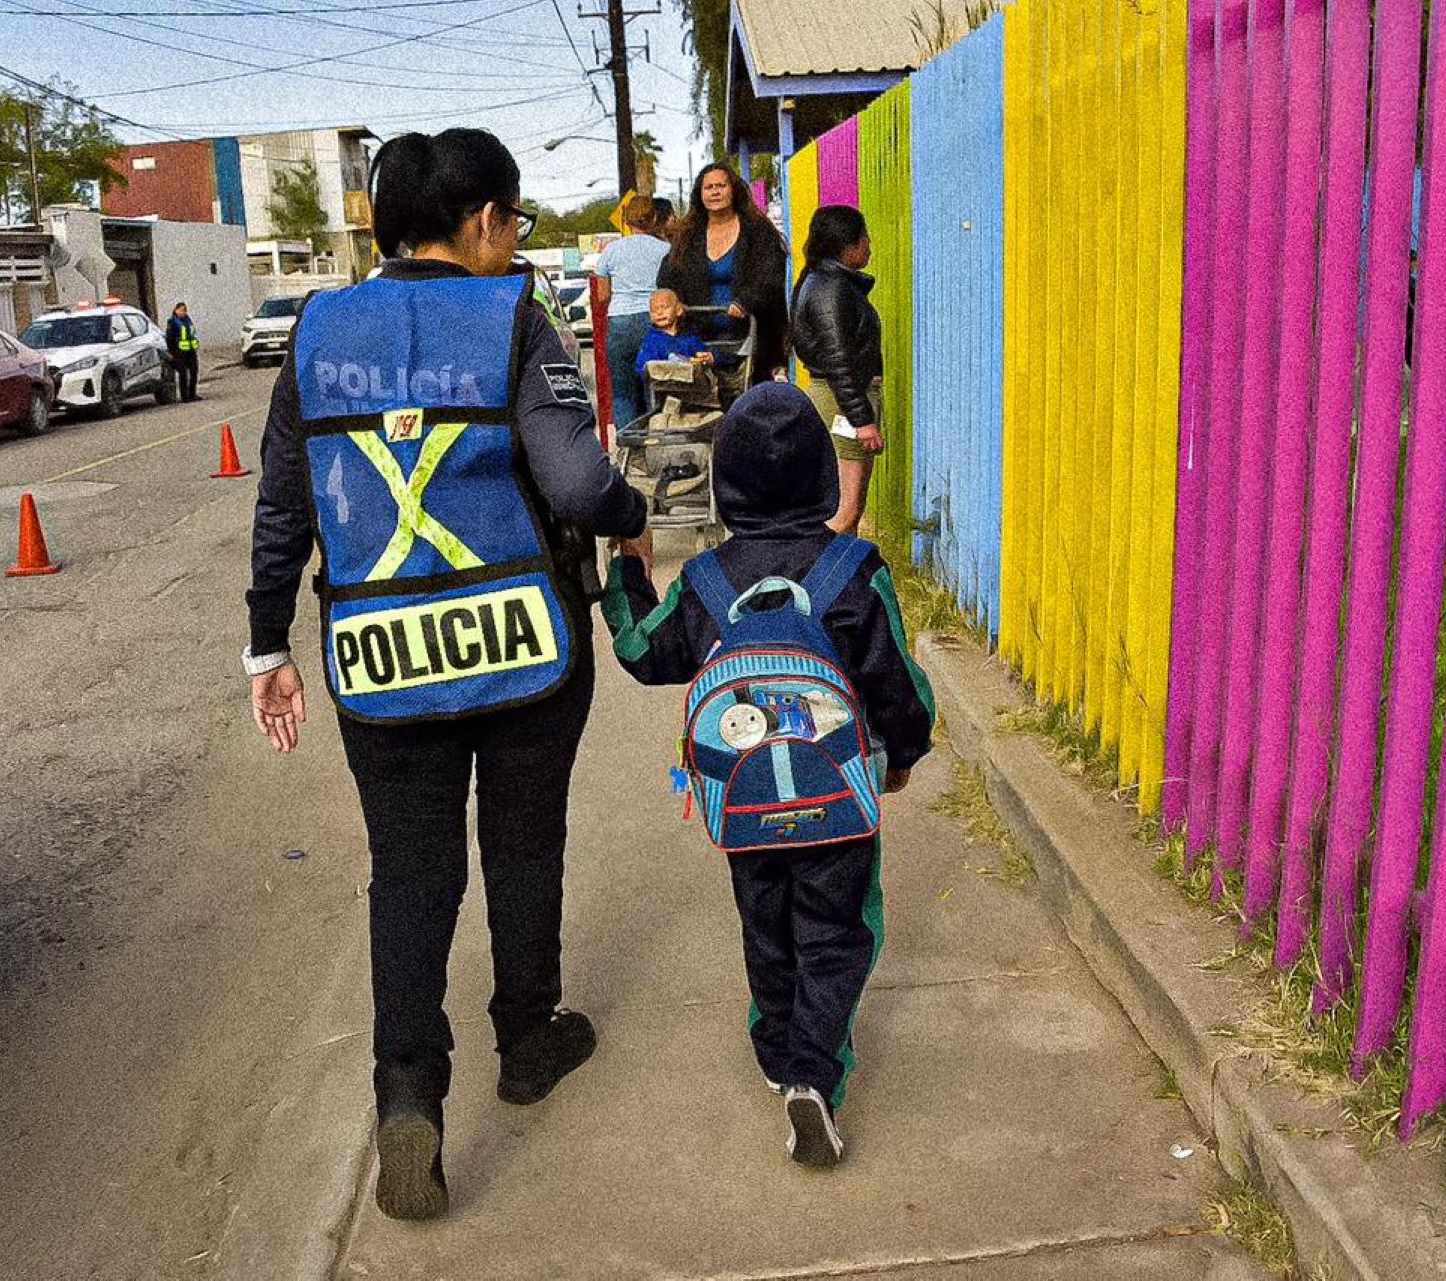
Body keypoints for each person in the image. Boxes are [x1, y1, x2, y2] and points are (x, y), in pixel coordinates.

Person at [242, 127, 650, 1222]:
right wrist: (636, 515)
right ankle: (527, 1038)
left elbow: (285, 500)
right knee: (522, 845)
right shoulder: (514, 315)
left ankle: (408, 1094)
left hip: (378, 654)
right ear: (480, 223)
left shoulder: (317, 327)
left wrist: (266, 644)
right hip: (524, 646)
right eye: (511, 224)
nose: (513, 242)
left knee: (411, 874)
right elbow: (574, 481)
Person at [599, 382, 935, 1168]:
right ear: (824, 476)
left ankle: (777, 1049)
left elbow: (645, 651)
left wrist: (632, 574)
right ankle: (814, 1074)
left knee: (768, 925)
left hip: (744, 805)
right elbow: (897, 684)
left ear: (726, 483)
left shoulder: (711, 579)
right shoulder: (855, 568)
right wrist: (905, 757)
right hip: (837, 801)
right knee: (838, 931)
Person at [790, 206, 884, 533]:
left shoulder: (823, 282)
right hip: (842, 403)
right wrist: (863, 420)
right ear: (847, 244)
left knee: (848, 511)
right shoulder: (830, 288)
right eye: (864, 236)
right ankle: (820, 581)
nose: (869, 244)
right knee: (845, 513)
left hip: (844, 400)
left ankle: (843, 582)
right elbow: (839, 362)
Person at [658, 163, 788, 385]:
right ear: (700, 194)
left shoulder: (757, 230)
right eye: (709, 187)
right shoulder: (688, 235)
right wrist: (675, 304)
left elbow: (771, 275)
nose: (715, 192)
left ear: (733, 190)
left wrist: (747, 301)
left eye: (721, 185)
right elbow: (667, 278)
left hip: (752, 336)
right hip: (699, 339)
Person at [593, 197, 675, 428]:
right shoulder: (665, 250)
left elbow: (603, 296)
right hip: (656, 321)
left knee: (622, 391)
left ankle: (627, 449)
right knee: (657, 386)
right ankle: (657, 438)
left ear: (626, 221)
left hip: (620, 322)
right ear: (655, 219)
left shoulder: (611, 251)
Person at [632, 288, 712, 376]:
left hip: (691, 387)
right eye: (654, 310)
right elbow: (642, 367)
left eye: (664, 307)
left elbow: (703, 353)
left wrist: (706, 357)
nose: (659, 312)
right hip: (663, 387)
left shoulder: (689, 337)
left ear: (678, 310)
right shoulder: (651, 341)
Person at [166, 302, 201, 402]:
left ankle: (192, 394)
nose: (184, 312)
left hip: (191, 351)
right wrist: (171, 353)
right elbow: (169, 338)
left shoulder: (188, 320)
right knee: (183, 374)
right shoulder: (172, 322)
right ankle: (185, 397)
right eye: (182, 310)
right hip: (179, 352)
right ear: (176, 310)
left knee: (194, 372)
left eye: (185, 310)